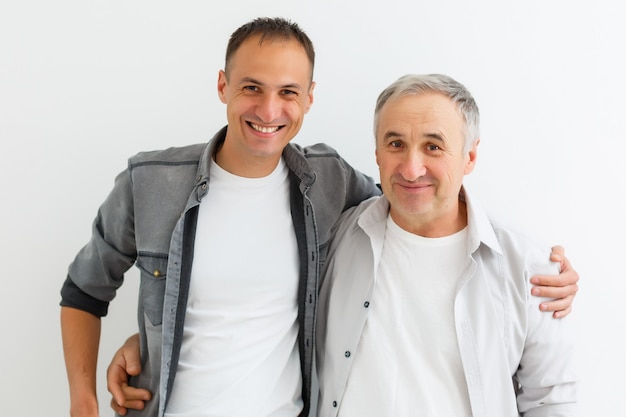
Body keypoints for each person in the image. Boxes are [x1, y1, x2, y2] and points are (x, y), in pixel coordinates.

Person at [59, 17, 578, 417]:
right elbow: (85, 290)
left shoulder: (327, 184)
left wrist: (543, 269)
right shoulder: (152, 182)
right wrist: (112, 371)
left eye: (288, 92)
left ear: (309, 99)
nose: (269, 110)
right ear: (222, 85)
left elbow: (417, 201)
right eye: (250, 87)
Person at [316, 73, 578, 416]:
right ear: (377, 153)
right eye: (395, 144)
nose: (411, 169)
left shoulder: (530, 268)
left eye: (433, 146)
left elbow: (551, 400)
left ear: (469, 156)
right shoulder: (335, 234)